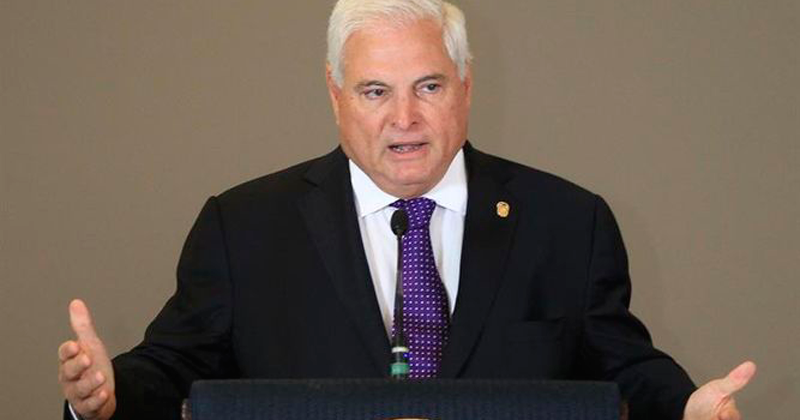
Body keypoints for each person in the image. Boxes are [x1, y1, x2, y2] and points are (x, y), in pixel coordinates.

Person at [58, 1, 756, 419]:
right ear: (335, 95)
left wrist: (686, 408)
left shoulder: (567, 222)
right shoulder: (244, 228)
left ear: (466, 87)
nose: (404, 118)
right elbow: (172, 367)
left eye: (428, 86)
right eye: (374, 92)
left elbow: (625, 367)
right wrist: (105, 397)